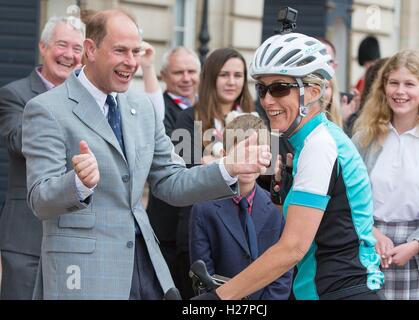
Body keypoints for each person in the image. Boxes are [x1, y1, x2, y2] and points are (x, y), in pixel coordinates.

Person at [21, 9, 270, 300]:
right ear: (90, 50)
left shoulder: (141, 108)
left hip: (147, 269)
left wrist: (228, 167)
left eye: (136, 51)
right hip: (85, 273)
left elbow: (171, 181)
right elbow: (39, 199)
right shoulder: (46, 109)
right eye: (120, 51)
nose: (131, 62)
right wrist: (77, 183)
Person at [193, 32, 384, 301]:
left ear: (314, 92)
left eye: (280, 88)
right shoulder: (308, 143)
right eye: (262, 88)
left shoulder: (320, 146)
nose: (267, 100)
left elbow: (292, 247)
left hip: (338, 291)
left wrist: (218, 299)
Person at [352, 50, 419, 300]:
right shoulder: (364, 140)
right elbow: (346, 199)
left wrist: (418, 245)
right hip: (371, 251)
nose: (400, 91)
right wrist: (372, 233)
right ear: (384, 86)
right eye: (393, 82)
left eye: (409, 84)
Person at [0, 16, 84, 300]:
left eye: (77, 48)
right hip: (27, 235)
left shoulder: (88, 100)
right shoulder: (15, 94)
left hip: (77, 236)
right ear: (43, 47)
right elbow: (16, 140)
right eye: (62, 45)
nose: (69, 55)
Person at [170, 47, 255, 298]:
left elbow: (263, 169)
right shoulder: (189, 118)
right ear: (210, 78)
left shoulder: (255, 117)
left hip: (242, 222)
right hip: (200, 223)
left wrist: (211, 160)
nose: (231, 82)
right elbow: (183, 170)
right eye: (224, 75)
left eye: (238, 75)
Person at [190, 113, 293, 300]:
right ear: (224, 155)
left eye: (256, 153)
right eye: (242, 153)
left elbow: (282, 274)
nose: (249, 161)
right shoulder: (203, 209)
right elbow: (203, 276)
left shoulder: (275, 209)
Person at [145, 47, 201, 287]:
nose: (186, 78)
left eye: (191, 71)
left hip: (200, 224)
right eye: (179, 72)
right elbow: (174, 155)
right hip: (167, 222)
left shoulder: (208, 108)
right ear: (163, 75)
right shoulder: (157, 109)